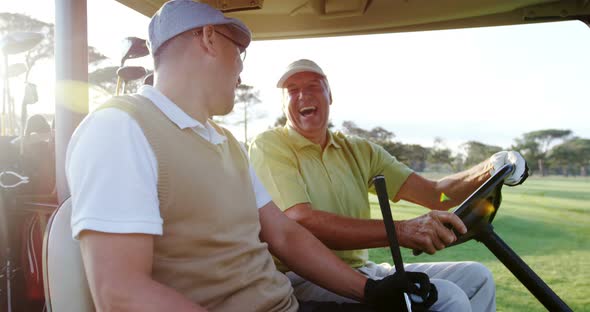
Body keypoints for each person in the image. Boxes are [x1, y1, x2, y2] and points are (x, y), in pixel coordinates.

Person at [65, 1, 438, 311]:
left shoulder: (227, 142)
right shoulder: (120, 128)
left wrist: (369, 291)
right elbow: (120, 292)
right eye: (239, 51)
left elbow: (285, 234)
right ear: (209, 38)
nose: (241, 71)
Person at [249, 59, 530, 312]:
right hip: (301, 275)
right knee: (447, 297)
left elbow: (437, 195)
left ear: (330, 96)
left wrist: (491, 167)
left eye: (313, 86)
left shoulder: (359, 150)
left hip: (363, 268)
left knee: (478, 277)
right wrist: (401, 231)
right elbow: (301, 221)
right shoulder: (271, 145)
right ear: (283, 103)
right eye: (292, 90)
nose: (303, 95)